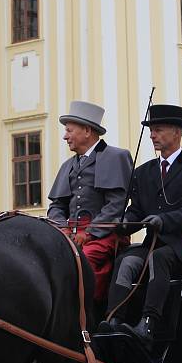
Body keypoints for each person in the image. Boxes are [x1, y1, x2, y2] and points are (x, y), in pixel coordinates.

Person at [99, 104, 182, 346]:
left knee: (157, 259)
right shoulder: (143, 173)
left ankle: (149, 323)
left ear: (176, 132)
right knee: (126, 261)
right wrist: (124, 224)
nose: (152, 135)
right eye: (151, 130)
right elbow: (136, 211)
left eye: (158, 130)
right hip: (154, 244)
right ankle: (113, 320)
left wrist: (164, 220)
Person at [48, 100, 133, 305]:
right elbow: (56, 206)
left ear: (87, 130)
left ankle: (86, 314)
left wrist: (90, 233)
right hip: (72, 234)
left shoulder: (116, 157)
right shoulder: (68, 165)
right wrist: (63, 230)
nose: (65, 136)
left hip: (106, 234)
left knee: (82, 262)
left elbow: (117, 203)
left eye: (69, 130)